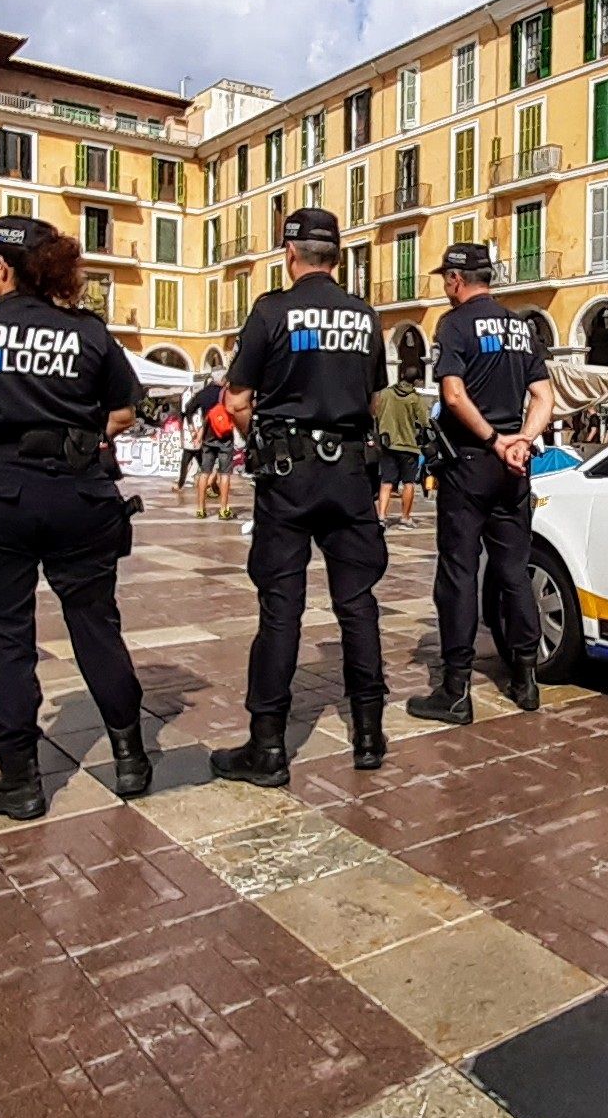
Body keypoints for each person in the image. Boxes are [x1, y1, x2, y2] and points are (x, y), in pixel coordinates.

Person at [0, 215, 149, 820]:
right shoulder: (87, 333)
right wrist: (75, 434)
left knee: (2, 639)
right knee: (96, 622)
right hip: (77, 494)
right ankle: (130, 756)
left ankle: (19, 779)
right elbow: (124, 409)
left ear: (0, 267)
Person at [210, 208, 390, 786]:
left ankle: (267, 750)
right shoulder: (365, 317)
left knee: (280, 609)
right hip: (350, 475)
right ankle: (368, 735)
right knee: (357, 603)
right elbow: (377, 401)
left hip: (288, 475)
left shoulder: (272, 311)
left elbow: (237, 400)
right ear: (337, 257)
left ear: (291, 254)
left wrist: (261, 443)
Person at [407, 244, 555, 724]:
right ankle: (526, 678)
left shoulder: (454, 325)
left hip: (471, 461)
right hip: (515, 467)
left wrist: (493, 440)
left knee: (458, 572)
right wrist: (523, 442)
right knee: (514, 570)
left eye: (444, 280)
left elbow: (452, 394)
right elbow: (544, 395)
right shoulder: (521, 326)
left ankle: (455, 689)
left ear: (455, 279)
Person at [372, 364, 432, 529]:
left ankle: (382, 516)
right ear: (416, 380)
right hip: (408, 446)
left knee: (386, 482)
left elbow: (376, 413)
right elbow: (425, 421)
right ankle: (405, 518)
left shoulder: (385, 393)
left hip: (388, 444)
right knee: (408, 482)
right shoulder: (415, 399)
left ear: (402, 374)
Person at [184, 371, 238, 519]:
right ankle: (223, 510)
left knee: (204, 473)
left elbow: (188, 410)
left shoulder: (202, 394)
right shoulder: (227, 393)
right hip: (225, 437)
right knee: (225, 474)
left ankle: (201, 509)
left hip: (207, 436)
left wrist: (194, 430)